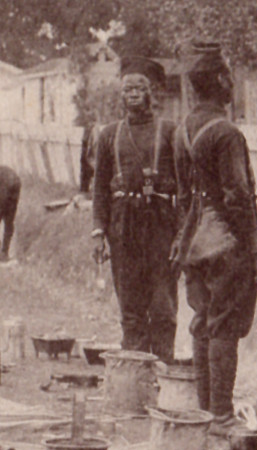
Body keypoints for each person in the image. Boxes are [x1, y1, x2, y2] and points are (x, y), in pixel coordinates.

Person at [172, 40, 257, 428]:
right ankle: (221, 415)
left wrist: (185, 241)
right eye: (229, 76)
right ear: (218, 80)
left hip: (194, 242)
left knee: (202, 320)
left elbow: (182, 196)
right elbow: (238, 196)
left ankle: (204, 411)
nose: (232, 83)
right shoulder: (227, 133)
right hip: (227, 244)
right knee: (224, 327)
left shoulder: (182, 131)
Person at [91, 58, 179, 360]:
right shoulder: (109, 135)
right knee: (131, 310)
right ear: (121, 95)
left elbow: (185, 187)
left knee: (163, 309)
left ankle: (164, 378)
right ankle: (136, 385)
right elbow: (100, 188)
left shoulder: (169, 131)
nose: (132, 93)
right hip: (123, 229)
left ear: (151, 93)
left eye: (139, 88)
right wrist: (98, 232)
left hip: (161, 228)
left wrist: (181, 234)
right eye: (126, 88)